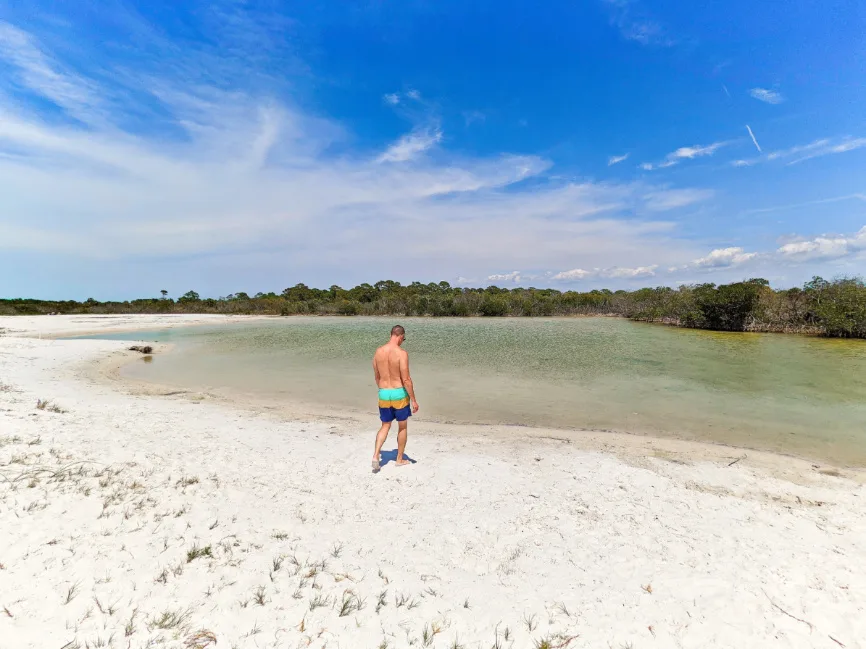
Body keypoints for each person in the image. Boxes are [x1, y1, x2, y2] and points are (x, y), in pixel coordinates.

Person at [371, 324, 419, 472]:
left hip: (384, 393)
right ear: (400, 336)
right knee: (402, 426)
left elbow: (377, 377)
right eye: (403, 338)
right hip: (399, 394)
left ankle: (375, 455)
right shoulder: (401, 353)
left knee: (385, 425)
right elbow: (406, 380)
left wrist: (384, 391)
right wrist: (413, 400)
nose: (403, 341)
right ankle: (399, 459)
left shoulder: (378, 352)